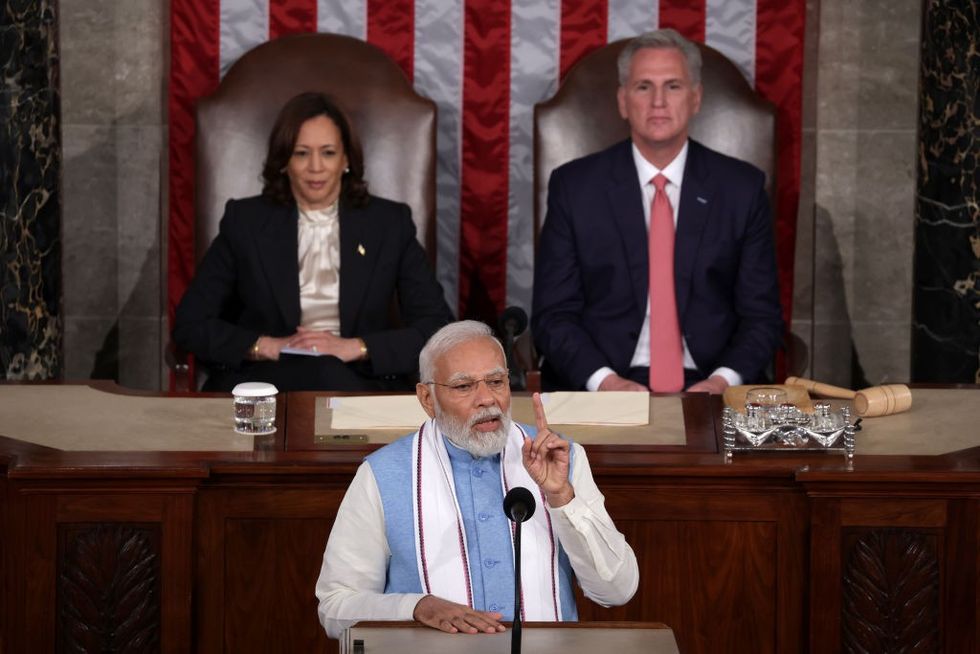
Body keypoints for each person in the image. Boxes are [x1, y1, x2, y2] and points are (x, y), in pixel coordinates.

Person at [315, 320, 638, 638]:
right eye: (464, 386)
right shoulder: (383, 474)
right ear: (427, 399)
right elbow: (335, 608)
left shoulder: (561, 459)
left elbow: (617, 590)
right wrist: (415, 607)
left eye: (496, 381)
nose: (487, 399)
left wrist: (562, 497)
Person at [531, 29, 783, 394]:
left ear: (696, 98)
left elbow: (761, 318)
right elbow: (554, 316)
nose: (659, 101)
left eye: (674, 86)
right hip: (605, 382)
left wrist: (722, 382)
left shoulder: (741, 189)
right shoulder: (575, 187)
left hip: (711, 384)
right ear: (622, 100)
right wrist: (605, 382)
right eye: (644, 87)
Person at [173, 92, 453, 391]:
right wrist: (266, 346)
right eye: (301, 153)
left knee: (328, 373)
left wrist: (355, 348)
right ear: (284, 161)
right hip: (268, 381)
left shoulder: (389, 223)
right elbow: (191, 324)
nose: (315, 167)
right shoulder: (245, 222)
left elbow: (437, 329)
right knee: (319, 376)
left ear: (346, 159)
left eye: (328, 152)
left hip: (360, 380)